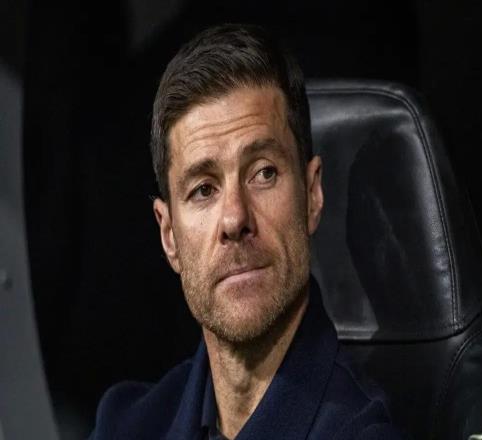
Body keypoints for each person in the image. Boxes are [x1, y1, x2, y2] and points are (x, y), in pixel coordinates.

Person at [89, 24, 401, 439]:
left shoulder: (360, 432)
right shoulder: (124, 425)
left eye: (263, 173)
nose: (235, 219)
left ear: (312, 195)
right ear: (169, 236)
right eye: (203, 190)